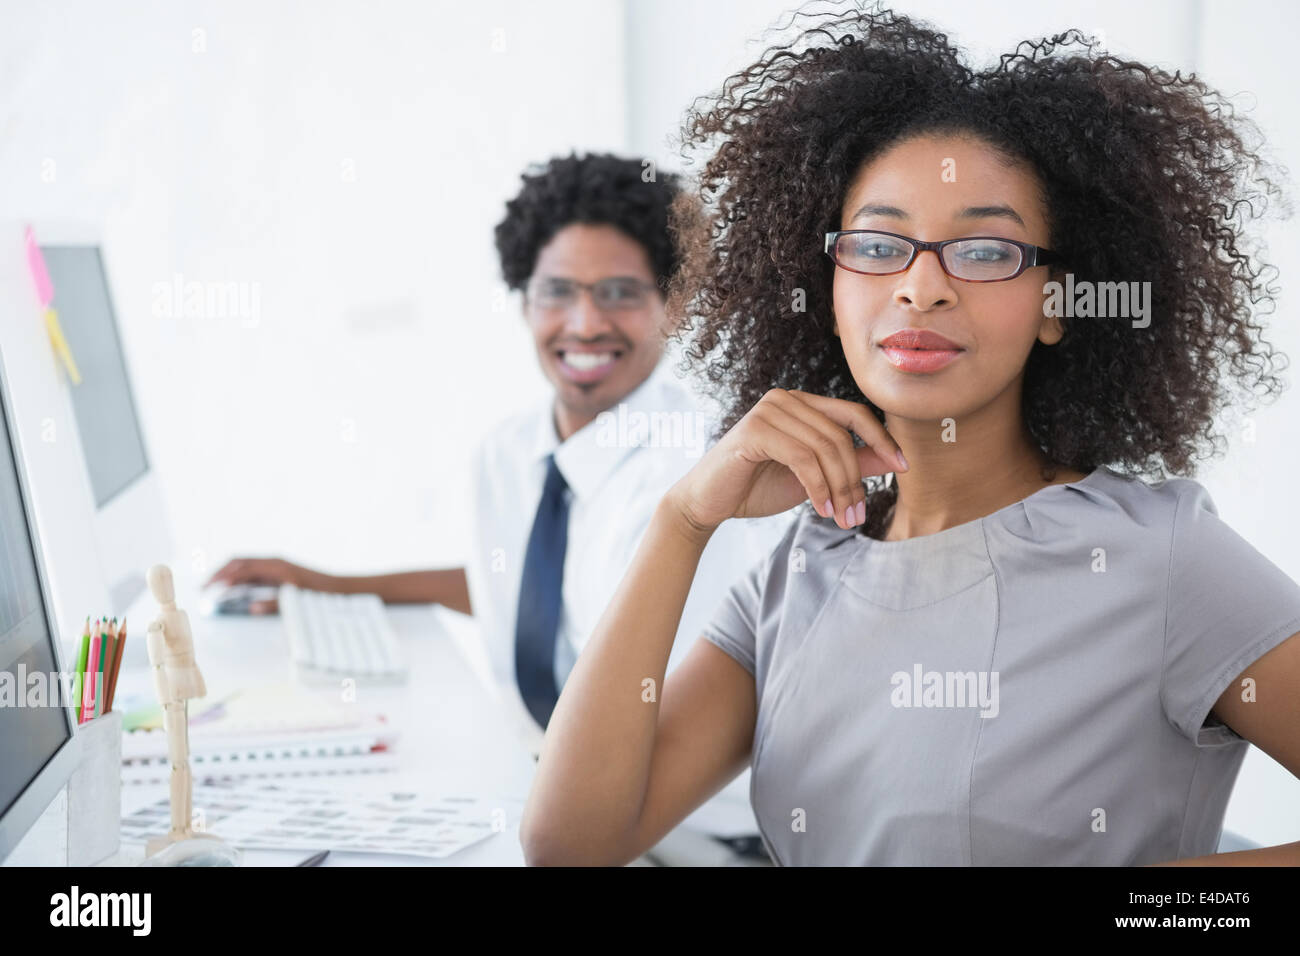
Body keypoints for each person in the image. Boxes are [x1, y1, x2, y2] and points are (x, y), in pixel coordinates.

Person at [520, 7, 1300, 866]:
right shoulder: (802, 570)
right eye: (880, 244)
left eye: (985, 250)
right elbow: (569, 845)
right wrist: (683, 522)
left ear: (1056, 304)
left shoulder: (1161, 559)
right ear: (827, 284)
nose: (921, 287)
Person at [207, 153, 796, 865]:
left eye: (619, 293)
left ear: (671, 306)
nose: (585, 322)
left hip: (685, 834)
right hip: (562, 799)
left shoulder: (696, 475)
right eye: (557, 292)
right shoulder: (511, 452)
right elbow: (523, 591)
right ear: (522, 300)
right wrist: (333, 585)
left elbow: (642, 678)